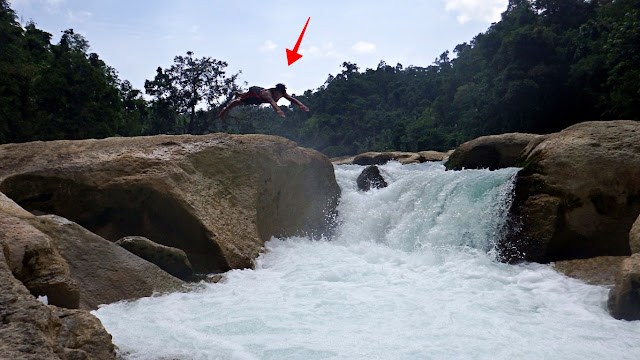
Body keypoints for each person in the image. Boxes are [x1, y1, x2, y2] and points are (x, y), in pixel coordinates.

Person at [218, 83, 309, 119]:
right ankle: (225, 110)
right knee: (239, 102)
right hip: (256, 93)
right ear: (275, 90)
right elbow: (272, 102)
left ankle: (240, 94)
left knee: (249, 100)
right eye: (277, 94)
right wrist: (278, 110)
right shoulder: (268, 94)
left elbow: (291, 99)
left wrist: (301, 105)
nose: (278, 96)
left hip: (260, 98)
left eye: (279, 95)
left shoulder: (282, 93)